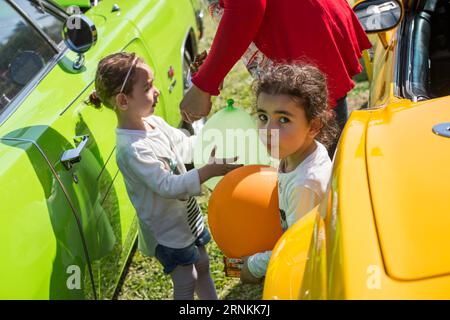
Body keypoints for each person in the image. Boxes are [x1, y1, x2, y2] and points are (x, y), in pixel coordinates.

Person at [88, 52, 242, 299]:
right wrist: (207, 171)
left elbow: (184, 145)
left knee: (202, 265)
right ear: (123, 101)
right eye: (148, 87)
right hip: (167, 231)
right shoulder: (131, 150)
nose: (157, 91)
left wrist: (209, 146)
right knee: (185, 280)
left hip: (187, 218)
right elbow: (167, 185)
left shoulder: (154, 123)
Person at [180, 0, 372, 156]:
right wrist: (216, 66)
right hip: (303, 22)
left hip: (301, 30)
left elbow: (247, 8)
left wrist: (203, 86)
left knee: (316, 160)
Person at [239, 63, 336, 283]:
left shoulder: (306, 184)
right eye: (263, 117)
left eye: (283, 120)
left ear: (314, 126)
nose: (268, 131)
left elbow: (298, 249)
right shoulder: (300, 150)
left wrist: (253, 266)